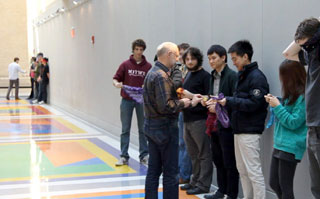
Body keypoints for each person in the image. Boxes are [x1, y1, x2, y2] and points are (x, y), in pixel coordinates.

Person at [217, 40, 269, 199]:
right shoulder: (243, 75)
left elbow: (256, 103)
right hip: (238, 129)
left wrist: (230, 101)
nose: (233, 62)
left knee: (253, 171)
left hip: (250, 131)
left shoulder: (257, 77)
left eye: (235, 59)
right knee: (242, 170)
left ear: (245, 56)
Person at [143, 42, 191, 199]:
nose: (177, 60)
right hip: (165, 129)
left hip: (151, 127)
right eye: (176, 56)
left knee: (153, 171)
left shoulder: (151, 72)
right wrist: (184, 103)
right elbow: (166, 106)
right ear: (169, 54)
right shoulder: (161, 76)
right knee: (170, 174)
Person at [283, 17, 320, 199]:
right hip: (312, 126)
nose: (304, 47)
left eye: (308, 44)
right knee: (316, 186)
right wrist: (301, 41)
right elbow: (288, 53)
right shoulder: (310, 54)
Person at [265, 60, 307, 199]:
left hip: (291, 146)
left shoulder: (303, 97)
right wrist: (276, 102)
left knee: (285, 186)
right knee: (274, 183)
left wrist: (277, 106)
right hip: (280, 144)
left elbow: (294, 122)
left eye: (283, 75)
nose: (281, 79)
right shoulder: (290, 96)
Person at [203, 45, 239, 199]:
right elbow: (213, 96)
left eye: (214, 58)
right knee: (217, 158)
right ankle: (221, 190)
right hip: (213, 123)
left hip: (227, 125)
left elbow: (234, 101)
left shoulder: (232, 76)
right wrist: (207, 101)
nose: (211, 61)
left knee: (229, 161)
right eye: (209, 58)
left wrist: (217, 107)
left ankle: (231, 194)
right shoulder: (212, 76)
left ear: (223, 58)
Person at [179, 47, 212, 195]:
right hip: (186, 119)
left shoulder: (205, 76)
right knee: (193, 154)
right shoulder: (188, 75)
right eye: (187, 59)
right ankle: (194, 181)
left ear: (198, 59)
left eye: (192, 59)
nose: (190, 62)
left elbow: (209, 98)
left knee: (204, 154)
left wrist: (191, 96)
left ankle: (203, 185)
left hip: (200, 120)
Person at [112, 39, 151, 166]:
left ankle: (144, 155)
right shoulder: (125, 65)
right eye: (137, 49)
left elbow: (150, 83)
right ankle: (124, 156)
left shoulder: (148, 67)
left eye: (141, 50)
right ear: (133, 50)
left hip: (141, 101)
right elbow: (115, 78)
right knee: (125, 129)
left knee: (143, 129)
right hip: (127, 101)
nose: (139, 52)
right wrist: (117, 84)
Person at [176, 43, 192, 184]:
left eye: (184, 54)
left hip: (189, 112)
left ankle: (185, 175)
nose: (181, 57)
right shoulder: (177, 70)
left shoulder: (191, 72)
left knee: (187, 145)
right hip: (177, 110)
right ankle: (180, 171)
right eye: (179, 54)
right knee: (180, 144)